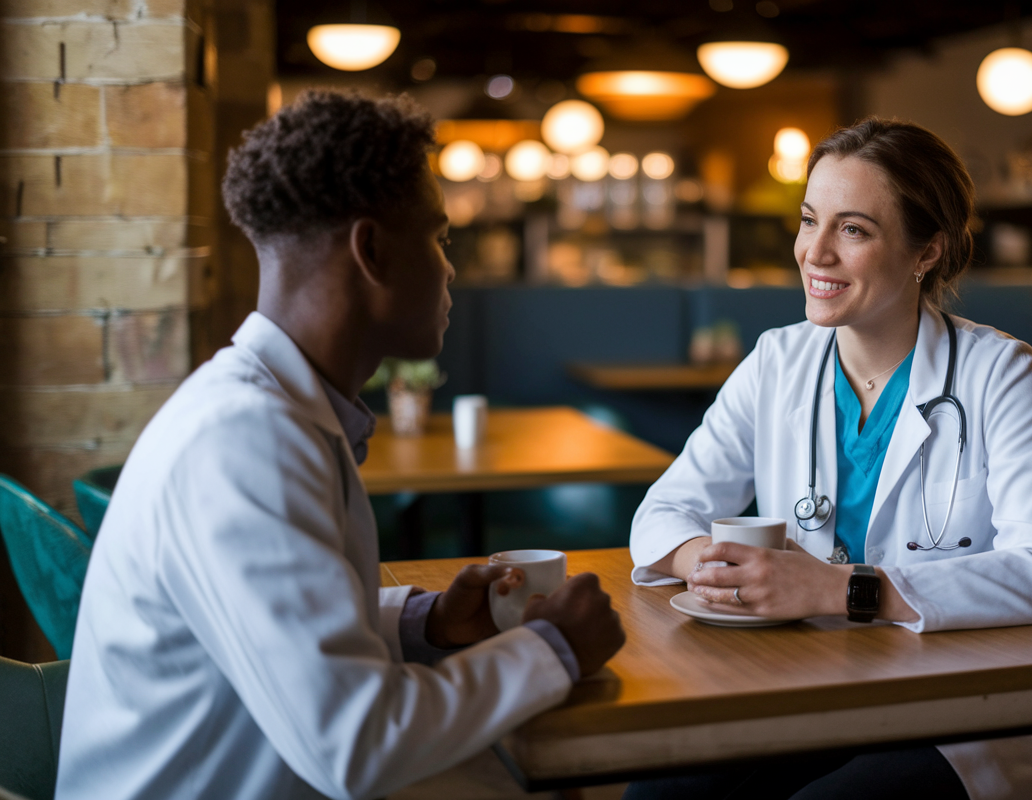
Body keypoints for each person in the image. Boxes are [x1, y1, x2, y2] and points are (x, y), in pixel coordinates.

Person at [56, 90, 625, 800]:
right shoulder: (244, 441)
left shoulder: (273, 408)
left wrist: (428, 623)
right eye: (439, 238)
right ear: (373, 251)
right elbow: (354, 744)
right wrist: (553, 648)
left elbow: (284, 638)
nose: (450, 270)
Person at [627, 118, 1032, 800]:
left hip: (968, 706)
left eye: (853, 229)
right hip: (819, 683)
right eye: (808, 220)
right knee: (661, 794)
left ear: (926, 251)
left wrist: (832, 589)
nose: (814, 253)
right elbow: (664, 512)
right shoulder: (777, 361)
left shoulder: (1000, 372)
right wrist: (709, 566)